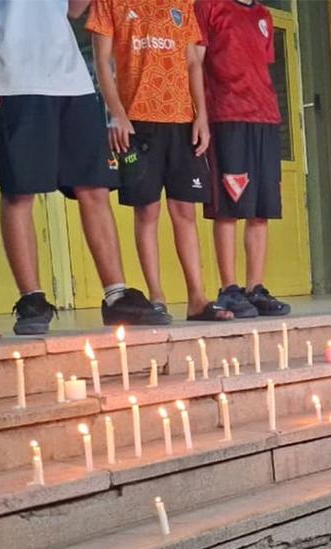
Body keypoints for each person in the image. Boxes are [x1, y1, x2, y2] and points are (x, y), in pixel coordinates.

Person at [0, 0, 168, 334]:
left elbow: (73, 10)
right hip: (10, 75)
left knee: (94, 186)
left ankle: (116, 295)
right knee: (20, 190)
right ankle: (31, 298)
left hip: (70, 78)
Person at [88, 0, 232, 322]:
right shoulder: (111, 3)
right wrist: (116, 113)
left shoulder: (183, 4)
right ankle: (157, 297)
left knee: (185, 212)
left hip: (181, 122)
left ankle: (197, 298)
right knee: (148, 211)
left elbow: (194, 61)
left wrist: (201, 117)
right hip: (137, 124)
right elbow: (102, 60)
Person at [195, 0, 291, 318]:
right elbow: (194, 62)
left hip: (265, 118)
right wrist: (201, 118)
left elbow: (260, 65)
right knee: (228, 208)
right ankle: (230, 288)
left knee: (260, 210)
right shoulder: (209, 6)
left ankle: (255, 288)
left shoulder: (262, 15)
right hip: (227, 117)